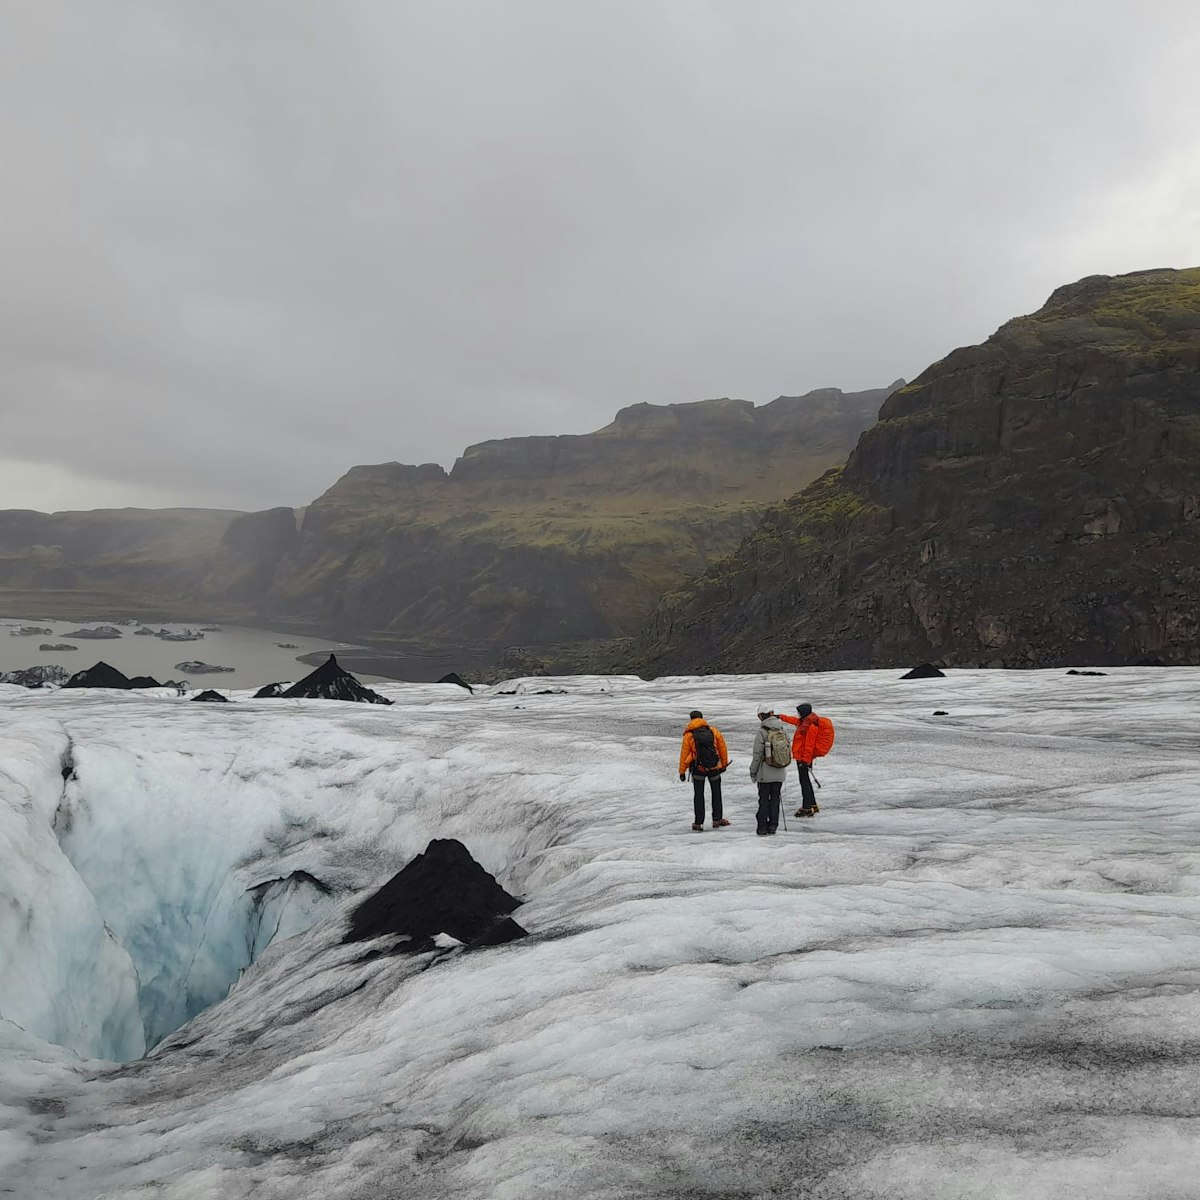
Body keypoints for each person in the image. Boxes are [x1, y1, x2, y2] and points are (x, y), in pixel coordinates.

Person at [679, 710, 730, 831]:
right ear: (702, 718)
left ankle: (698, 823)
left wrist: (682, 771)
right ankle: (717, 819)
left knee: (699, 795)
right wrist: (723, 764)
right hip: (714, 768)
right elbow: (722, 748)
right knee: (716, 793)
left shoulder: (689, 735)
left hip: (698, 768)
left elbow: (684, 754)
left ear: (691, 719)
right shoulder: (713, 731)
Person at [749, 708, 788, 835]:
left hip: (764, 773)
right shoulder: (782, 729)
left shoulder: (762, 731)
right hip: (779, 771)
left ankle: (762, 828)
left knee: (764, 799)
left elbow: (757, 754)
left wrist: (753, 771)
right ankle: (773, 826)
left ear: (760, 716)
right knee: (775, 798)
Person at [779, 702, 820, 817]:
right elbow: (793, 720)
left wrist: (805, 761)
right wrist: (780, 717)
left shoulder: (811, 726)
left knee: (804, 782)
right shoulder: (804, 722)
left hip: (804, 758)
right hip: (802, 757)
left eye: (799, 712)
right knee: (805, 780)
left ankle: (807, 807)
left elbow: (809, 745)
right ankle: (812, 804)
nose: (797, 715)